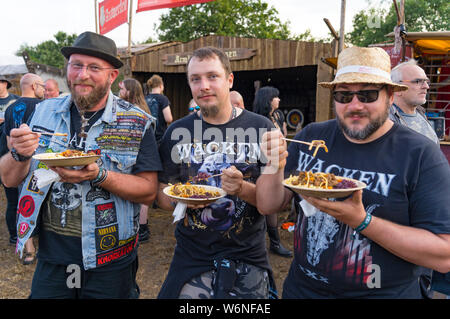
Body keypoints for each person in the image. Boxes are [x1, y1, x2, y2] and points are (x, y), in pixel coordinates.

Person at [257, 46, 450, 298]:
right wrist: (272, 163)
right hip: (301, 291)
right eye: (344, 96)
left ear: (390, 95)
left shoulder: (421, 154)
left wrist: (363, 221)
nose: (354, 106)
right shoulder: (312, 136)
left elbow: (443, 255)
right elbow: (268, 205)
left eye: (368, 95)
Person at [0, 31, 161, 299]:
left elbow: (148, 191)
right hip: (53, 258)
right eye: (76, 65)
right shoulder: (43, 111)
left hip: (110, 260)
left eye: (94, 67)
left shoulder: (136, 122)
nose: (82, 74)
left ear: (112, 76)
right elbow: (8, 179)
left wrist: (99, 176)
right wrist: (18, 153)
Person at [156, 46, 277, 299]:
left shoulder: (261, 127)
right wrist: (184, 197)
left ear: (229, 80)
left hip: (247, 258)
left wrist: (242, 188)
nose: (204, 86)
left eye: (213, 76)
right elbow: (163, 197)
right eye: (195, 79)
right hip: (191, 257)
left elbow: (271, 205)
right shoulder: (176, 132)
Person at [3, 73, 44, 264]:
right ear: (35, 86)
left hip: (18, 161)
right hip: (42, 164)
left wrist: (17, 160)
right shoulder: (45, 107)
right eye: (42, 86)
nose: (43, 89)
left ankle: (29, 249)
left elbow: (9, 142)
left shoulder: (10, 109)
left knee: (22, 204)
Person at [253, 86, 292, 258]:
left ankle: (274, 241)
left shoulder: (278, 115)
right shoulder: (258, 121)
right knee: (264, 203)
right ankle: (271, 242)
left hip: (279, 159)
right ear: (268, 100)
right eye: (276, 97)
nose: (279, 100)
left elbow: (283, 134)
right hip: (263, 162)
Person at [119, 77, 156, 243]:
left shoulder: (136, 113)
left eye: (121, 89)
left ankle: (142, 227)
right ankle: (142, 225)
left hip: (138, 155)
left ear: (130, 91)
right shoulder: (142, 108)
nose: (118, 93)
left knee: (142, 189)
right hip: (132, 154)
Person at [390, 59, 439, 144]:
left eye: (427, 81)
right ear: (397, 88)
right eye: (418, 81)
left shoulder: (421, 112)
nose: (426, 86)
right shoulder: (384, 121)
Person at [145, 74, 173, 145]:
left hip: (147, 135)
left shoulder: (145, 99)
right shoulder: (163, 99)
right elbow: (168, 119)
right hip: (160, 137)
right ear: (161, 86)